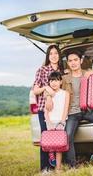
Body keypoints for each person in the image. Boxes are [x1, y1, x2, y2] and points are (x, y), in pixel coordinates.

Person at [46, 50, 93, 168]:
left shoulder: (88, 73)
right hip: (72, 112)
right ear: (68, 63)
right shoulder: (64, 78)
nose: (73, 63)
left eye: (75, 60)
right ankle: (72, 165)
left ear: (81, 61)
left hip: (87, 110)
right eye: (70, 61)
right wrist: (49, 97)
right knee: (68, 135)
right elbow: (52, 86)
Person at [32, 44, 64, 173]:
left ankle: (57, 165)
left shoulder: (64, 71)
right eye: (51, 53)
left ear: (59, 55)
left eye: (56, 53)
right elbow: (35, 90)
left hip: (59, 109)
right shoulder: (42, 70)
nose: (54, 56)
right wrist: (46, 88)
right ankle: (45, 168)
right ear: (48, 56)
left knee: (59, 137)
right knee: (45, 137)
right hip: (44, 108)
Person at [44, 71, 69, 172]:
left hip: (60, 121)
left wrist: (62, 121)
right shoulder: (47, 93)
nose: (53, 83)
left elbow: (66, 108)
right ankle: (50, 153)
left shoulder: (65, 93)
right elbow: (46, 110)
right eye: (51, 81)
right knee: (50, 143)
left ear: (61, 82)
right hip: (50, 120)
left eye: (56, 80)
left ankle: (58, 168)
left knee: (59, 146)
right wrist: (48, 122)